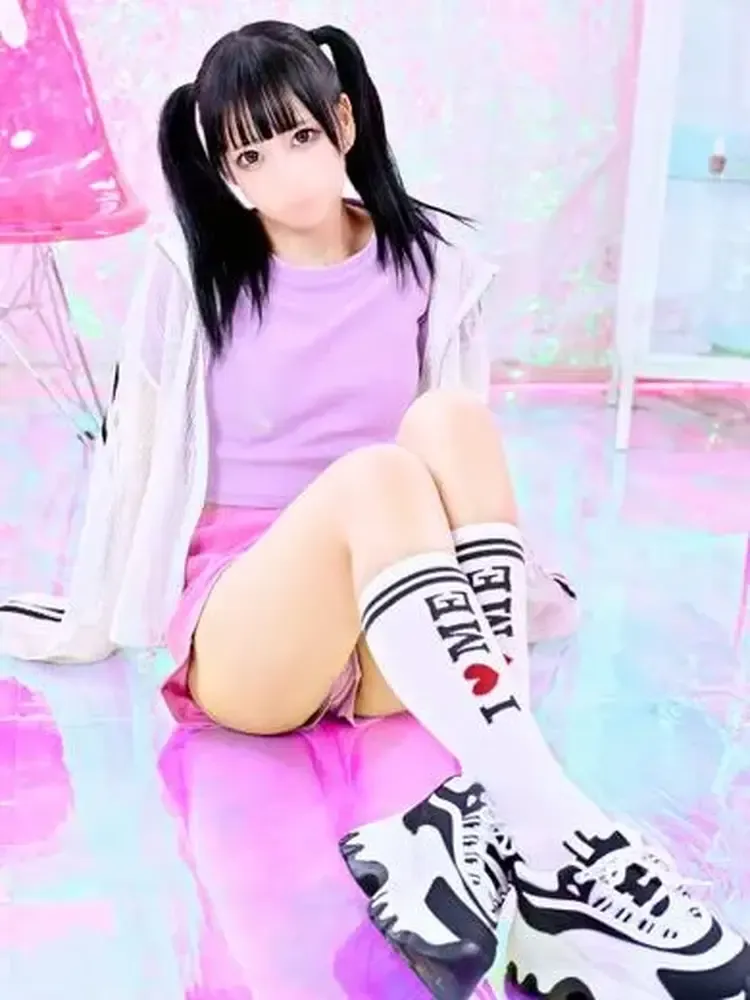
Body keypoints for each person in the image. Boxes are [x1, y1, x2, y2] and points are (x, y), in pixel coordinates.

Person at [1, 19, 746, 1000]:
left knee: (448, 421)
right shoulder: (194, 274)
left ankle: (499, 832)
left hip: (399, 617)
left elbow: (458, 473)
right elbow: (132, 458)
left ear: (344, 123)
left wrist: (517, 590)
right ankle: (555, 831)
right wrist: (93, 616)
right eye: (251, 158)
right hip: (249, 634)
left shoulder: (431, 262)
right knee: (376, 474)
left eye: (300, 137)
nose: (284, 174)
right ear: (226, 174)